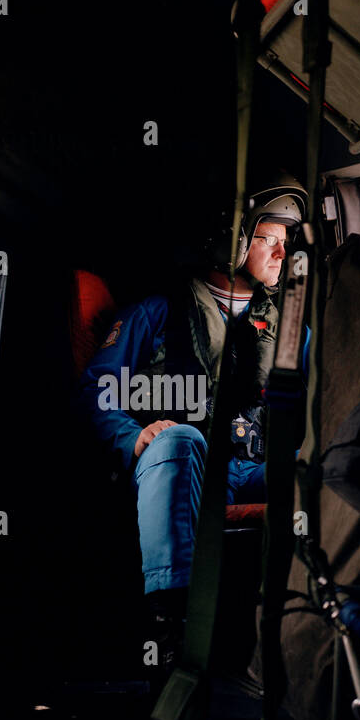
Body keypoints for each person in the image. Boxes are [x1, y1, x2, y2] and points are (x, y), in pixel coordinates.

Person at [80, 178, 307, 654]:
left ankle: (309, 623)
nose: (282, 254)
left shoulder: (289, 326)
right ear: (234, 239)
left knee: (319, 473)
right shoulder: (156, 313)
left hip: (254, 465)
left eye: (288, 242)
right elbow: (98, 385)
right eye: (270, 238)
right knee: (179, 440)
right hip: (184, 462)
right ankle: (171, 625)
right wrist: (135, 437)